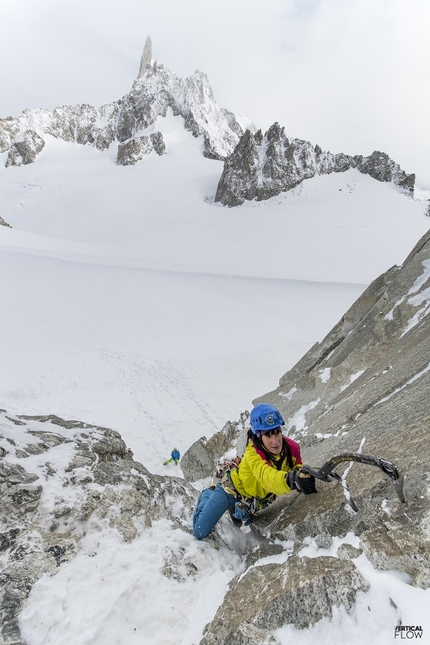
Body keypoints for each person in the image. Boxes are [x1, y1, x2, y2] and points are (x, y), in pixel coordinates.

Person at [193, 403, 316, 540]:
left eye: (277, 432)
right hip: (231, 490)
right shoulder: (253, 454)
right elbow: (266, 477)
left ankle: (236, 510)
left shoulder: (292, 448)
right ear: (258, 436)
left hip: (256, 499)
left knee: (240, 519)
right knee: (200, 530)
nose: (275, 441)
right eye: (268, 435)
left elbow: (296, 466)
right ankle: (208, 493)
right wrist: (292, 480)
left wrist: (302, 475)